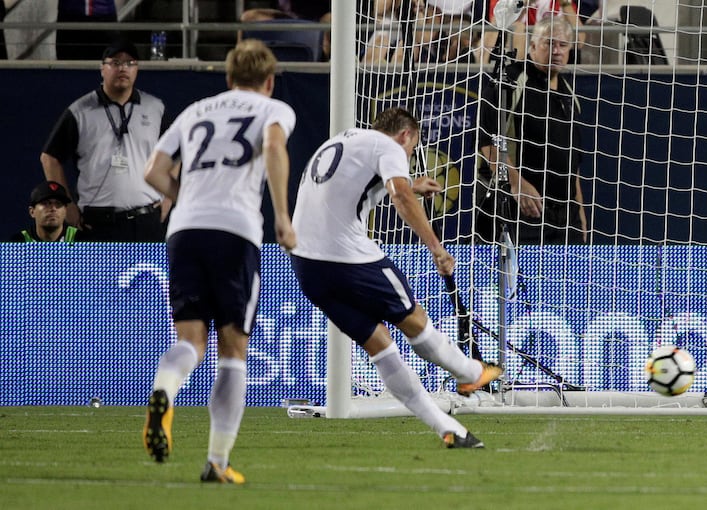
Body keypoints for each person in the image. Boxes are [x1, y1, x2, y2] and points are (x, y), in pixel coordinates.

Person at [290, 107, 503, 448]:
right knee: (413, 319)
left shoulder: (346, 139)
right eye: (412, 150)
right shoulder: (389, 146)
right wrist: (437, 249)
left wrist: (413, 184)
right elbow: (398, 194)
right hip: (346, 255)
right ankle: (470, 374)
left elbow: (351, 189)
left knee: (379, 343)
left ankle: (449, 429)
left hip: (305, 264)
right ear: (405, 136)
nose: (407, 158)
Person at [141, 39, 296, 484]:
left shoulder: (196, 110)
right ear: (268, 82)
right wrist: (282, 218)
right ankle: (217, 461)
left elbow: (152, 171)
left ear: (228, 78)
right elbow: (272, 147)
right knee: (233, 352)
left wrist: (183, 197)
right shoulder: (273, 110)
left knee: (191, 339)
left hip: (184, 231)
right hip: (235, 231)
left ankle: (164, 391)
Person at [40, 39, 172, 242]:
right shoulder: (80, 111)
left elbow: (176, 152)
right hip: (97, 223)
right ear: (102, 69)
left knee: (146, 275)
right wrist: (68, 206)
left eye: (130, 63)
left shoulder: (154, 108)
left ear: (137, 69)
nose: (123, 68)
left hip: (145, 221)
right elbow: (49, 157)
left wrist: (169, 197)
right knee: (96, 275)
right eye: (116, 62)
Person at [476, 14, 587, 244]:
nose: (557, 50)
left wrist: (581, 217)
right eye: (550, 43)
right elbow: (489, 140)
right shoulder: (511, 80)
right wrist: (516, 183)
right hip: (522, 210)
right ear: (533, 45)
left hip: (567, 218)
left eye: (563, 45)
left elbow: (572, 164)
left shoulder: (569, 96)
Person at [9, 181, 80, 242]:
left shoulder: (82, 240)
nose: (53, 208)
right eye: (45, 203)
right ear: (32, 211)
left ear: (65, 211)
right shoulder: (17, 243)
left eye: (58, 203)